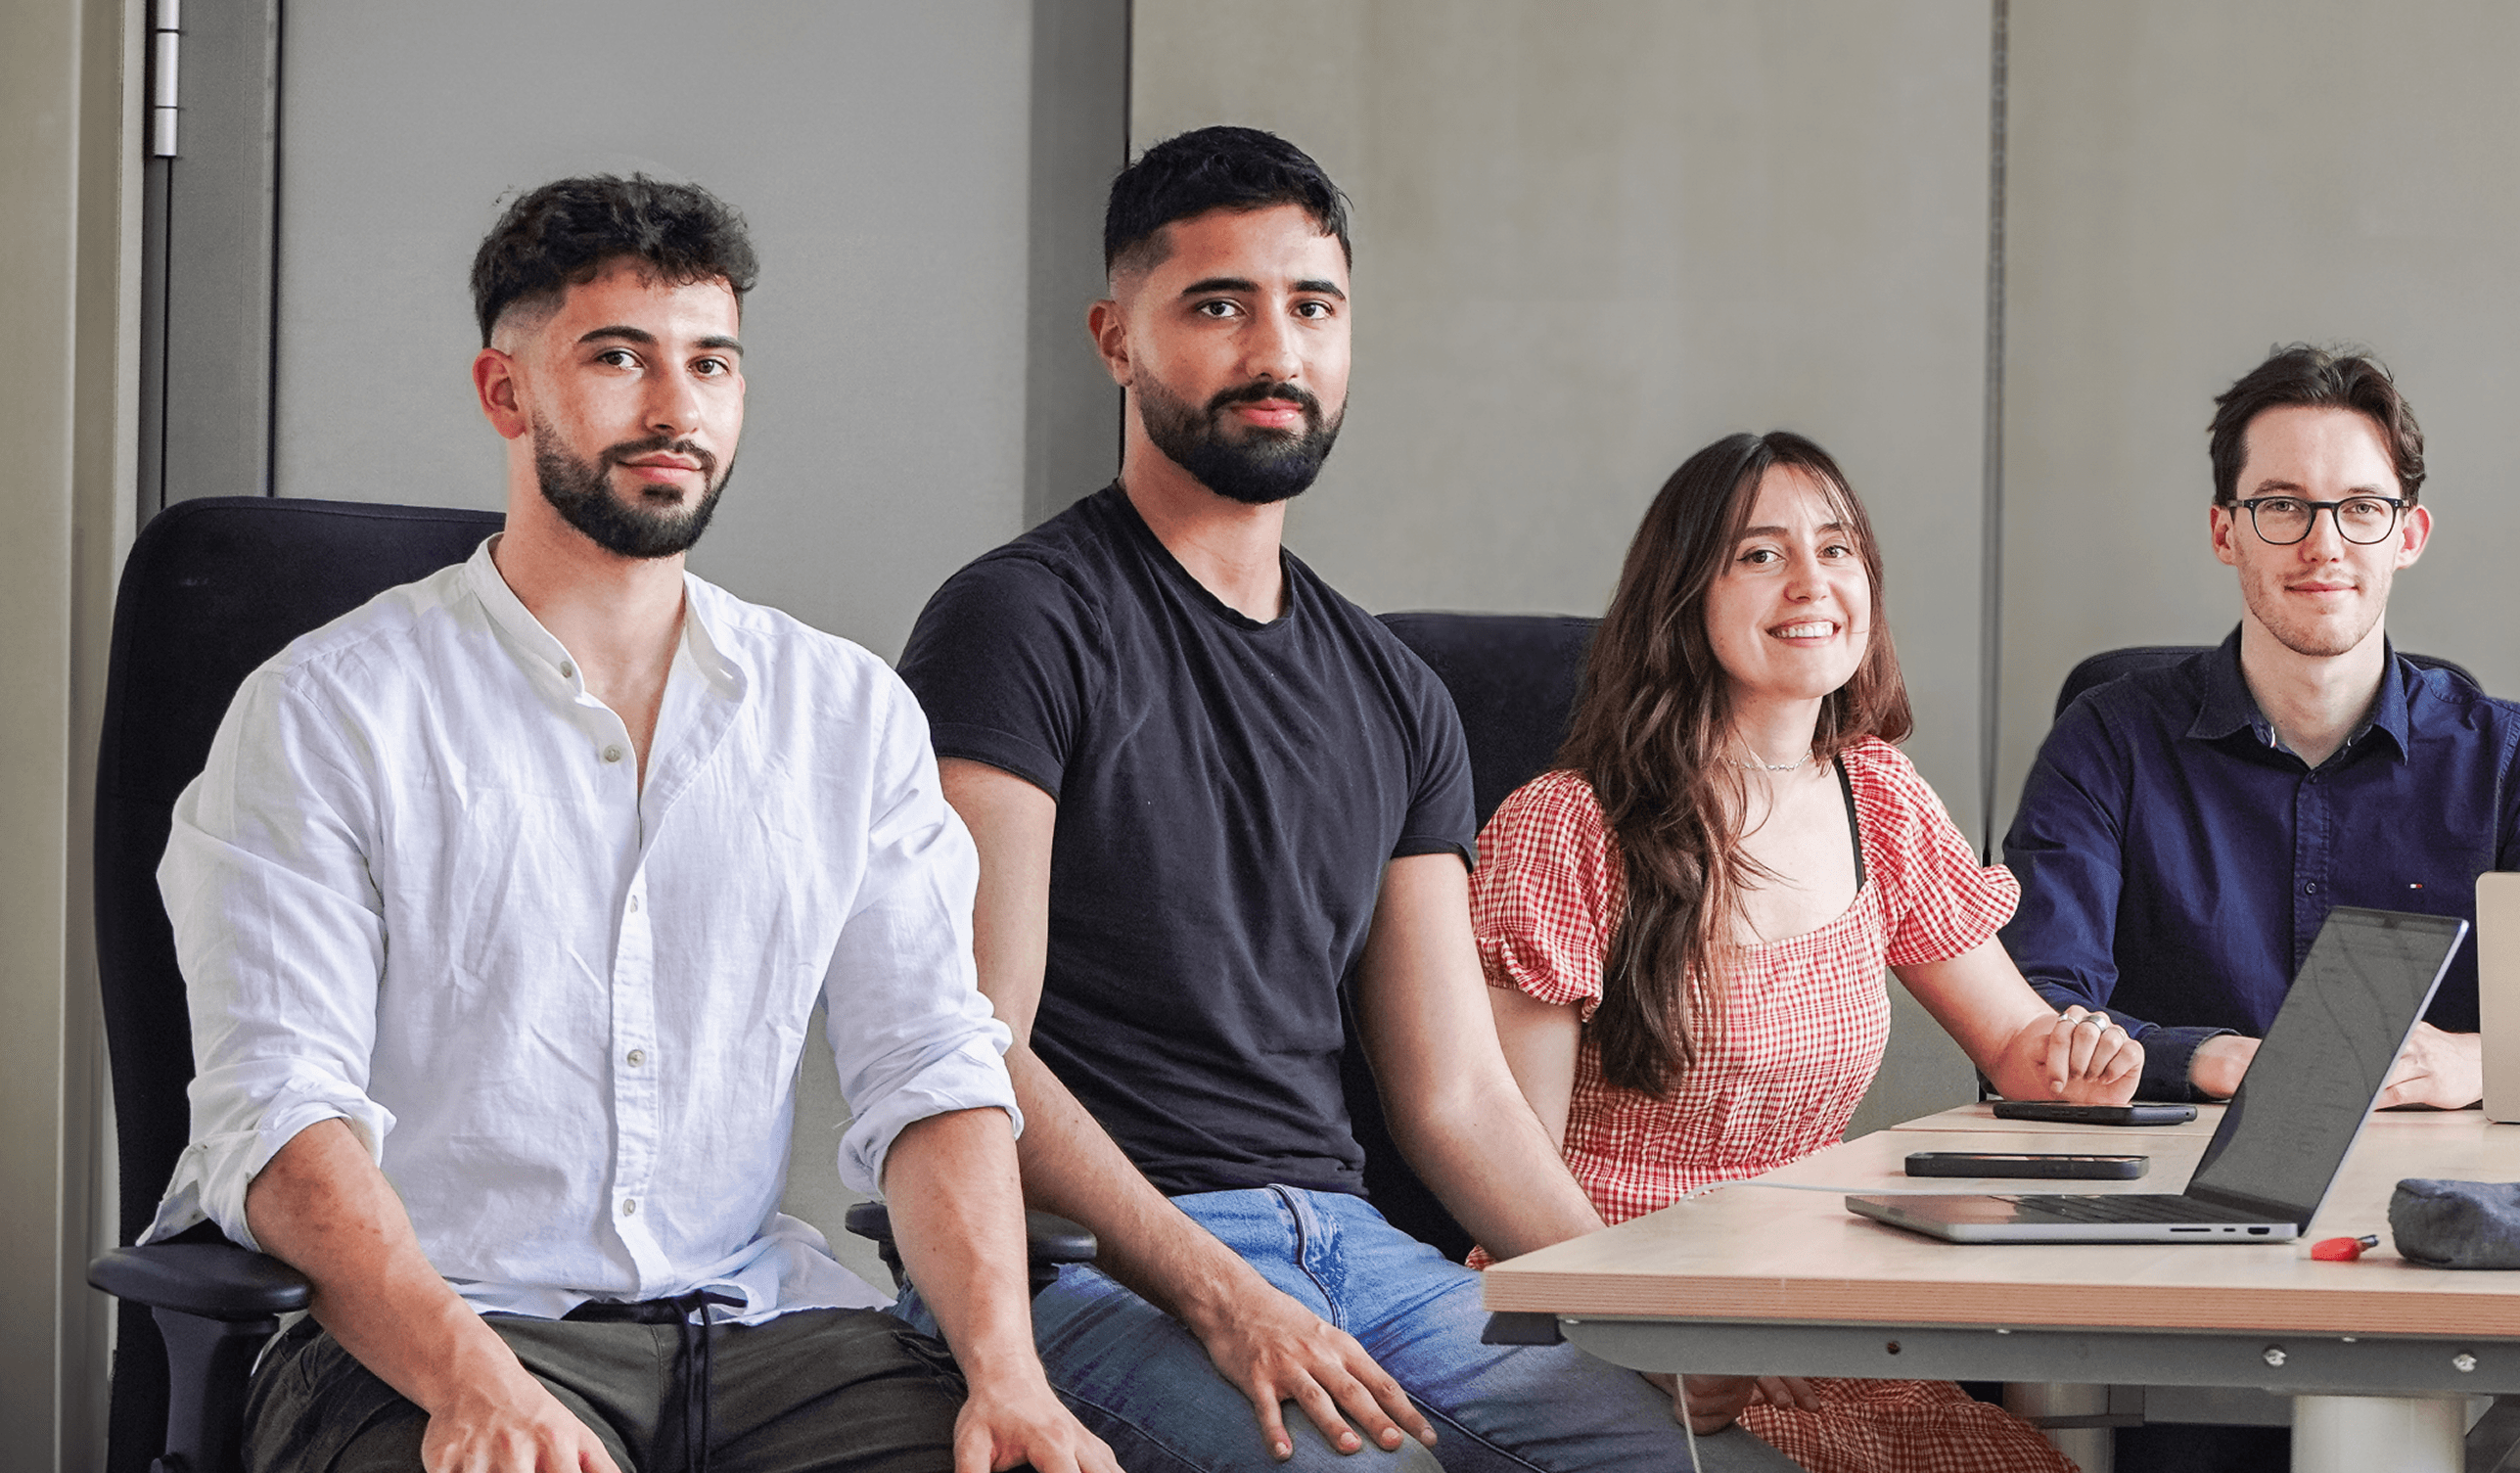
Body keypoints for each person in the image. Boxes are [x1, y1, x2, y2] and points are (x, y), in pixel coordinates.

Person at [150, 175, 1108, 1473]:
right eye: (618, 358)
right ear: (505, 393)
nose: (676, 410)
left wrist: (1008, 1377)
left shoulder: (843, 713)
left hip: (765, 1336)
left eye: (710, 363)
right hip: (440, 1334)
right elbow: (279, 1118)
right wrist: (476, 1385)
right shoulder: (331, 712)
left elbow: (933, 1073)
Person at [893, 127, 1795, 1473]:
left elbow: (1457, 1097)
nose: (1278, 351)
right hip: (1083, 1262)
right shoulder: (1018, 623)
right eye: (1219, 306)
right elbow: (972, 1045)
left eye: (1313, 308)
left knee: (1723, 1466)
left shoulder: (1395, 691)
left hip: (1357, 1252)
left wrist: (1631, 1304)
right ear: (1116, 339)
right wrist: (1219, 1293)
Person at [1473, 432, 2139, 1472]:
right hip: (1606, 1308)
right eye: (1759, 554)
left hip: (1804, 1304)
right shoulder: (1569, 825)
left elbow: (2019, 1047)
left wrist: (2081, 1063)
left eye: (1837, 549)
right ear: (1681, 595)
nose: (1811, 582)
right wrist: (1650, 1326)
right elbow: (1506, 1158)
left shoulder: (1878, 794)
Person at [1998, 345, 2520, 1108]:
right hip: (2172, 1156)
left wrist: (2476, 1063)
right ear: (2226, 533)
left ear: (2409, 536)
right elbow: (2036, 1009)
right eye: (2283, 506)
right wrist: (2205, 1057)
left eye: (2362, 508)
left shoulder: (2509, 762)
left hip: (2439, 1164)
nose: (2324, 545)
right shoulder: (2107, 743)